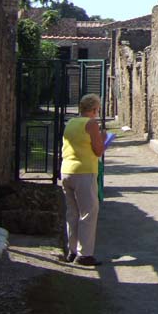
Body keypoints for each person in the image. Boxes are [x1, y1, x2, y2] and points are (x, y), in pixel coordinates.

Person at [61, 93, 105, 267]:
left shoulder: (71, 123)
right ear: (94, 109)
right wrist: (103, 138)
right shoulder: (91, 124)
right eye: (97, 109)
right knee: (88, 212)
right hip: (84, 172)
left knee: (72, 213)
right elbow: (98, 150)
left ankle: (72, 251)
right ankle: (85, 254)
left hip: (67, 171)